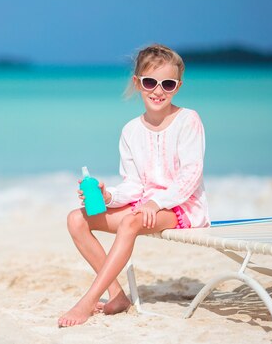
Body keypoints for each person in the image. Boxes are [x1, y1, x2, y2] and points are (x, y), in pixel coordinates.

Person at [58, 43, 209, 328]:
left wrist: (157, 202)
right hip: (145, 206)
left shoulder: (188, 120)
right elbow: (134, 185)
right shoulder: (131, 130)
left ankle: (88, 300)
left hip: (182, 207)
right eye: (151, 81)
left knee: (129, 223)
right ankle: (117, 295)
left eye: (168, 83)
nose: (158, 90)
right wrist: (108, 195)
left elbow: (191, 175)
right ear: (138, 83)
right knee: (76, 219)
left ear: (177, 86)